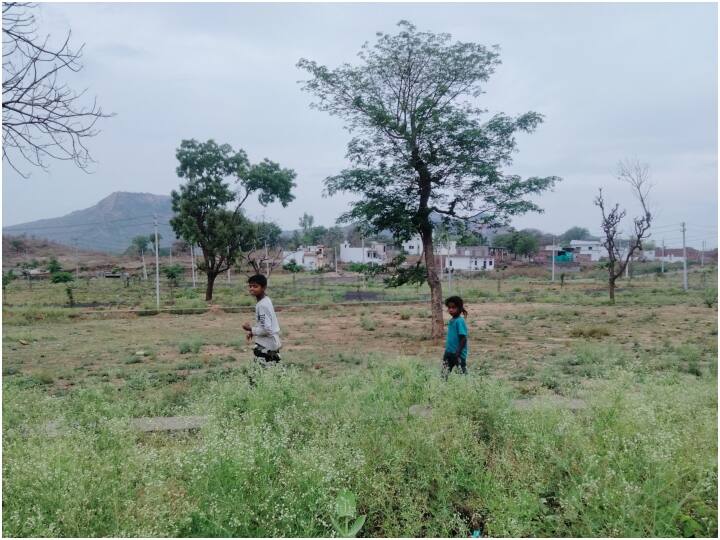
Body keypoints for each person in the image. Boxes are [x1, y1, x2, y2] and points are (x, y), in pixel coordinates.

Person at [242, 274, 282, 365]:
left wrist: (250, 329)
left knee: (261, 375)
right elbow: (264, 325)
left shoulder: (262, 305)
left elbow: (267, 329)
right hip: (270, 344)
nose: (252, 288)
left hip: (266, 347)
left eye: (255, 286)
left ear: (263, 287)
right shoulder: (266, 300)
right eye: (250, 286)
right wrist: (252, 332)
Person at [442, 295, 468, 380]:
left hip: (458, 354)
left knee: (462, 374)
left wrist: (457, 353)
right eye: (449, 307)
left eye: (453, 307)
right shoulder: (452, 320)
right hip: (449, 352)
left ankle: (466, 390)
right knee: (444, 374)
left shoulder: (460, 321)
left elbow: (463, 339)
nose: (451, 310)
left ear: (459, 308)